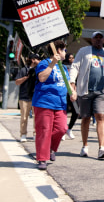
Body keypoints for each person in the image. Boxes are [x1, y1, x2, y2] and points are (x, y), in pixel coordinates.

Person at [69, 31, 104, 159]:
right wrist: (72, 81)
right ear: (92, 39)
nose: (99, 40)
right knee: (86, 118)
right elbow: (75, 66)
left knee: (100, 116)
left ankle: (101, 148)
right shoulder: (84, 51)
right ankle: (85, 146)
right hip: (85, 90)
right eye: (96, 38)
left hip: (102, 91)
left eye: (101, 38)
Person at [32, 40, 77, 170]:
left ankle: (50, 148)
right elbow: (41, 78)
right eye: (64, 50)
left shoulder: (63, 67)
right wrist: (52, 64)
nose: (65, 53)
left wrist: (73, 92)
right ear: (58, 50)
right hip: (44, 102)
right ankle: (42, 158)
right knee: (44, 131)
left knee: (62, 128)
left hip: (60, 103)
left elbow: (67, 82)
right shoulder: (44, 63)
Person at [16, 53, 40, 142]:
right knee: (24, 117)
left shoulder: (38, 70)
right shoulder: (23, 70)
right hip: (24, 97)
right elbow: (17, 82)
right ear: (33, 60)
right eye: (37, 59)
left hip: (35, 96)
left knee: (36, 117)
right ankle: (23, 134)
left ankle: (35, 134)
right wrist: (26, 77)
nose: (39, 61)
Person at [62, 53, 78, 140]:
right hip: (64, 92)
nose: (72, 59)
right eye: (70, 57)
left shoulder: (75, 67)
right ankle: (63, 131)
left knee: (76, 111)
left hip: (73, 91)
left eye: (73, 57)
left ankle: (69, 128)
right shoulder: (64, 66)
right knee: (64, 112)